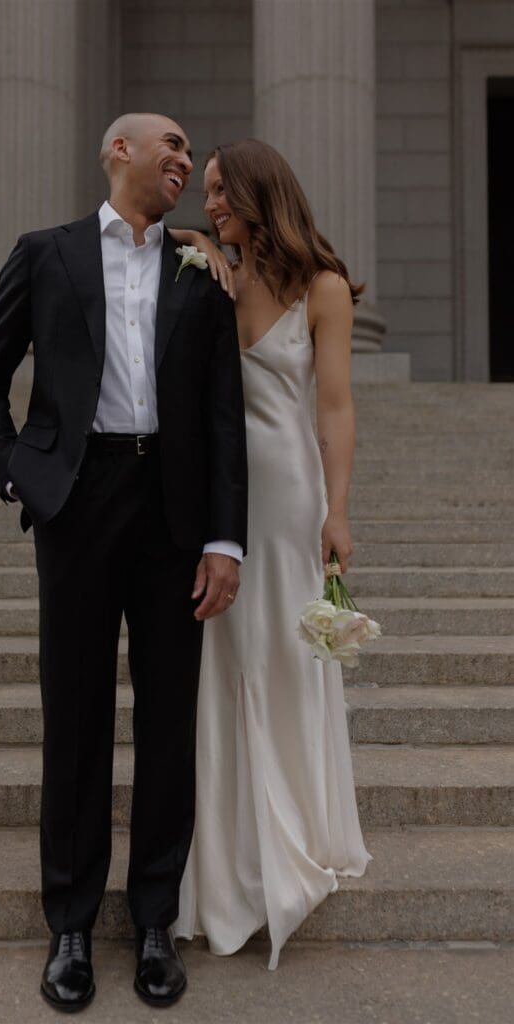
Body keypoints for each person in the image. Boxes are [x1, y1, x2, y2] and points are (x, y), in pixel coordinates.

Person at [0, 113, 248, 1013]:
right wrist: (24, 481)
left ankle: (154, 920)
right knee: (74, 718)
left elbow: (221, 416)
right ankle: (71, 927)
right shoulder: (44, 254)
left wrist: (224, 540)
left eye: (191, 153)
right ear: (117, 151)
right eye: (172, 145)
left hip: (172, 513)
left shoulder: (201, 270)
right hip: (77, 509)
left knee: (169, 723)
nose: (186, 160)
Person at [170, 139, 371, 969]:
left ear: (260, 193)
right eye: (208, 193)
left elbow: (333, 408)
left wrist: (338, 512)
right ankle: (229, 868)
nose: (211, 203)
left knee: (283, 667)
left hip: (287, 502)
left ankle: (289, 844)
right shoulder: (213, 273)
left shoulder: (322, 288)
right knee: (226, 667)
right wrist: (192, 249)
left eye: (221, 192)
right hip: (221, 497)